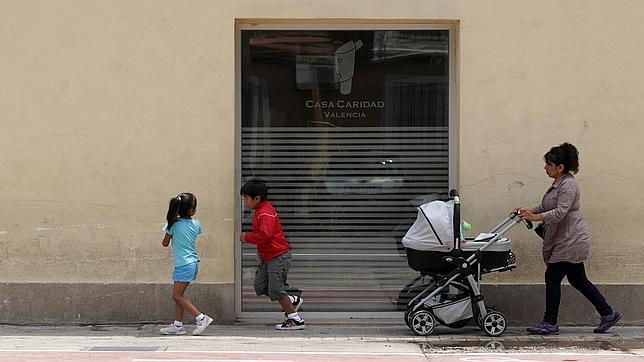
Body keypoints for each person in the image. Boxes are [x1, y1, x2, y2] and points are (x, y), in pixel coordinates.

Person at [517, 143, 621, 335]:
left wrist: (536, 218)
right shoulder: (559, 183)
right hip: (565, 238)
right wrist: (530, 211)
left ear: (560, 167)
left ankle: (550, 323)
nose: (545, 167)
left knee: (552, 277)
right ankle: (608, 313)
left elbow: (560, 213)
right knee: (578, 279)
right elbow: (547, 205)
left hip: (570, 239)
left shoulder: (568, 185)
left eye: (548, 164)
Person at [240, 179, 304, 330]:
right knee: (260, 286)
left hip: (278, 256)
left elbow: (265, 236)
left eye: (246, 198)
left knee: (275, 290)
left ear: (257, 199)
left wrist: (246, 237)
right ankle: (291, 299)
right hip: (267, 257)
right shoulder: (259, 211)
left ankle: (295, 319)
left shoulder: (265, 213)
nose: (244, 202)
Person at [159, 192, 213, 335]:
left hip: (183, 264)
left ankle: (201, 318)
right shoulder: (196, 224)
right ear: (192, 210)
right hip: (192, 263)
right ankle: (178, 326)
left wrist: (170, 226)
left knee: (176, 296)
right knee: (179, 296)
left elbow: (165, 243)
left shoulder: (172, 225)